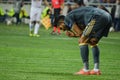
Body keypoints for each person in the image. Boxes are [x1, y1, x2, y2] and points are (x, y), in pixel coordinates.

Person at [57, 0, 112, 75]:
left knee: (82, 41)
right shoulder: (76, 16)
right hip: (107, 16)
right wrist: (75, 35)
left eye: (60, 28)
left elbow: (81, 34)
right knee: (93, 41)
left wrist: (75, 35)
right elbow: (84, 34)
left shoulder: (67, 18)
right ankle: (96, 69)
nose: (62, 30)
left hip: (97, 17)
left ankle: (85, 70)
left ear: (61, 22)